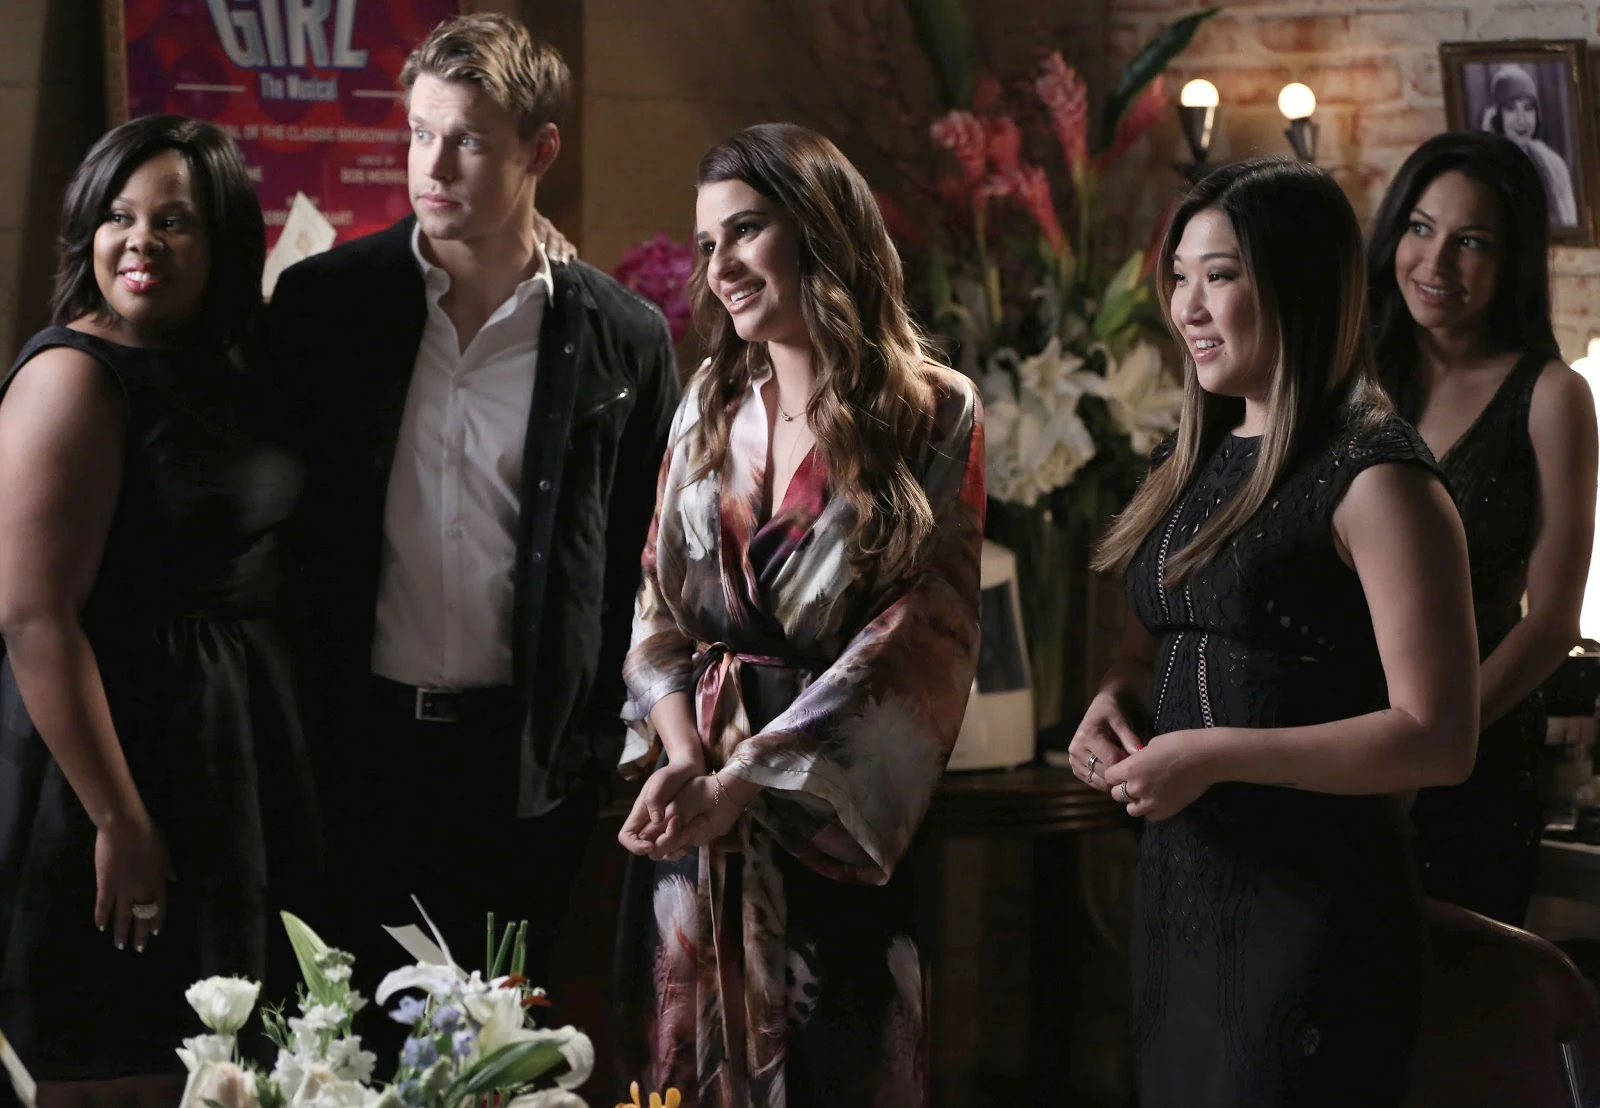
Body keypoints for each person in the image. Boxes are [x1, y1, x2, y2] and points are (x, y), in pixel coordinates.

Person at [265, 12, 679, 1018]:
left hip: (523, 765)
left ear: (541, 150)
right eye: (420, 133)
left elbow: (647, 567)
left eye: (469, 140)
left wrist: (596, 748)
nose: (434, 165)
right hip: (353, 746)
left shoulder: (622, 338)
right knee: (344, 1047)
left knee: (502, 1052)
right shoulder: (324, 307)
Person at [1070, 158, 1480, 1106]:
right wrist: (1111, 703)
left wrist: (1215, 755)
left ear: (1296, 283)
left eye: (1219, 276)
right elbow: (1143, 649)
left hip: (1315, 909)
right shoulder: (1193, 459)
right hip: (1184, 896)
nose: (1187, 307)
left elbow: (1438, 736)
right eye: (1180, 276)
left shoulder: (1380, 479)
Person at [614, 122, 985, 1107]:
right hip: (695, 828)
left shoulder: (931, 412)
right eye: (707, 244)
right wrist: (683, 757)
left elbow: (919, 639)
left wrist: (746, 780)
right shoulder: (709, 399)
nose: (721, 266)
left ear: (819, 227)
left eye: (745, 230)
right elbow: (656, 599)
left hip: (829, 820)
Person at [0, 116, 318, 1105]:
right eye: (118, 216)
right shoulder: (72, 377)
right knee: (114, 1056)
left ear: (223, 240)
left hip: (232, 744)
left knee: (235, 1059)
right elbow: (33, 616)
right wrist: (119, 818)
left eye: (174, 220)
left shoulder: (231, 361)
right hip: (114, 757)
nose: (140, 241)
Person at [1368, 131, 1597, 925]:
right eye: (1420, 228)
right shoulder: (1353, 376)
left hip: (1473, 762)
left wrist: (1431, 746)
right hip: (1335, 737)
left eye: (1471, 242)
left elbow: (1553, 624)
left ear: (1513, 262)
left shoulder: (1552, 397)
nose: (1435, 263)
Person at [1479, 62, 1578, 227]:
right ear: (1497, 115)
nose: (1522, 120)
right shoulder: (1483, 168)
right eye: (1511, 108)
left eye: (1528, 108)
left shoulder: (1554, 166)